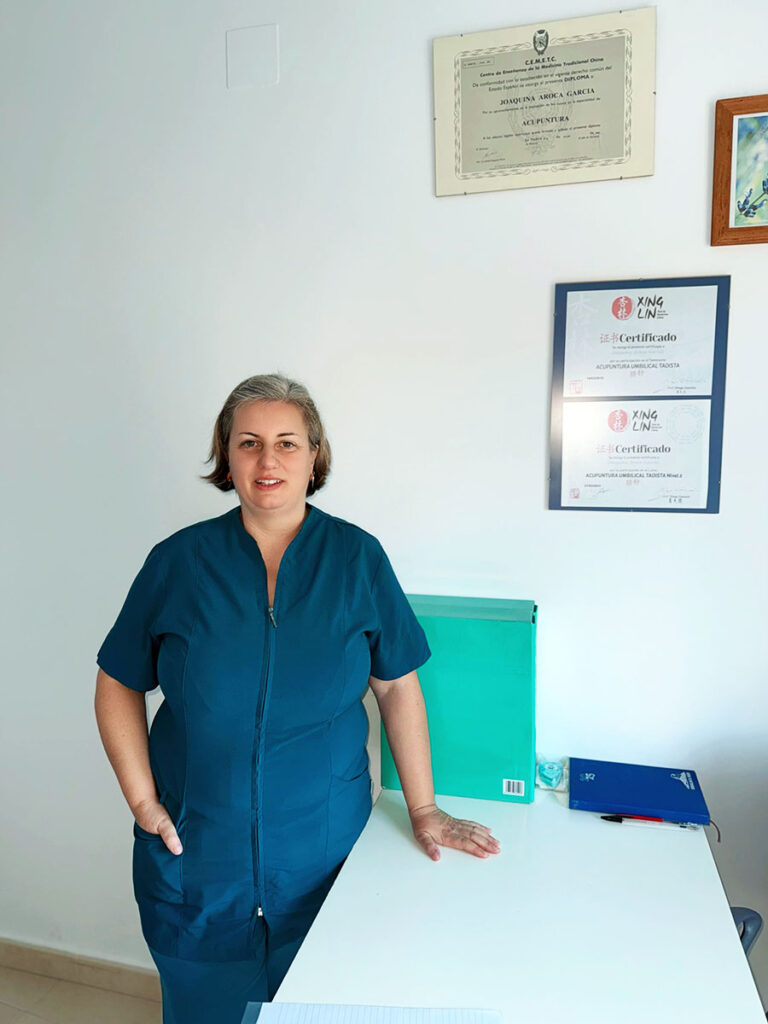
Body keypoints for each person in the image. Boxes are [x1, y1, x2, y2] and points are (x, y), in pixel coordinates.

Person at [94, 373, 500, 1024]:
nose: (269, 460)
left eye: (287, 442)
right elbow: (118, 678)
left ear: (315, 457)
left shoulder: (358, 559)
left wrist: (424, 807)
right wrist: (143, 801)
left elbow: (397, 684)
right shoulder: (177, 562)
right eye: (249, 442)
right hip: (197, 861)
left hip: (324, 859)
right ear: (227, 456)